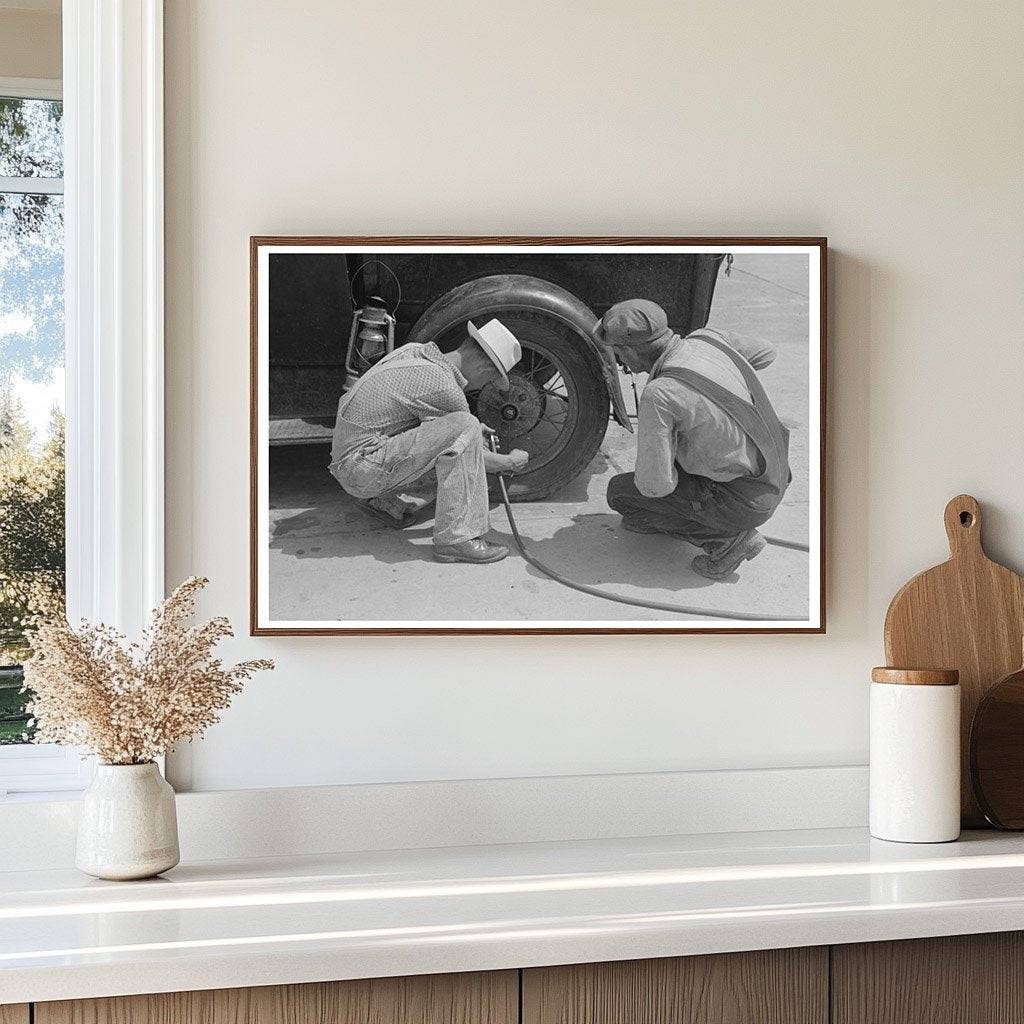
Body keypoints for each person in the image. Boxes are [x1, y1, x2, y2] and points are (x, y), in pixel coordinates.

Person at [596, 299, 791, 580]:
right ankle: (711, 519)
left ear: (629, 350)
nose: (620, 362)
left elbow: (655, 486)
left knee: (621, 495)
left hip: (743, 501)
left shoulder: (660, 394)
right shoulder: (708, 338)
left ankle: (727, 542)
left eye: (618, 354)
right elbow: (767, 353)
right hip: (776, 475)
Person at [329, 318, 529, 564]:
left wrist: (472, 431)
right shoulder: (445, 387)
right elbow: (471, 450)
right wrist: (510, 462)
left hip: (350, 459)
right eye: (488, 381)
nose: (481, 386)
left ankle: (387, 503)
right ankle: (457, 539)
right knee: (465, 428)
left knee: (464, 430)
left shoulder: (415, 352)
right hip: (360, 470)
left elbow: (426, 422)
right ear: (484, 369)